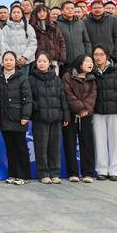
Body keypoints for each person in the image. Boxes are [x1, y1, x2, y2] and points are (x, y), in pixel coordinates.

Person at [27, 52, 69, 184]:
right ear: (36, 63)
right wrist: (37, 107)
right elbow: (29, 99)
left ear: (49, 63)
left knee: (54, 147)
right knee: (41, 147)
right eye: (39, 61)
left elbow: (63, 98)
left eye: (44, 61)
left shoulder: (56, 79)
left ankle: (55, 173)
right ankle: (43, 173)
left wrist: (66, 115)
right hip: (40, 118)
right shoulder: (31, 79)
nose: (41, 63)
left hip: (56, 118)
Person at [92, 45, 117, 181]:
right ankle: (102, 170)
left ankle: (115, 171)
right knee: (99, 142)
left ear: (107, 56)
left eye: (101, 54)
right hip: (98, 112)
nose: (98, 57)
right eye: (96, 55)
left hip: (115, 112)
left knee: (116, 142)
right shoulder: (92, 71)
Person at [0, 51, 32, 185]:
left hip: (18, 118)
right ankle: (12, 173)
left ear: (15, 61)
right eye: (6, 59)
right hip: (4, 118)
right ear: (2, 61)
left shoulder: (22, 77)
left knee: (21, 147)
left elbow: (27, 99)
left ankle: (24, 175)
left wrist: (25, 115)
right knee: (10, 148)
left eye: (11, 59)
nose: (8, 62)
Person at [62, 54, 98, 183]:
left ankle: (88, 173)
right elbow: (68, 94)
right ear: (79, 63)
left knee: (87, 144)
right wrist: (80, 108)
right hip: (71, 115)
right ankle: (73, 173)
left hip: (86, 115)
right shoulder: (68, 76)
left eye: (91, 61)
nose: (90, 63)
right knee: (70, 144)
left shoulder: (92, 78)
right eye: (87, 61)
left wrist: (86, 109)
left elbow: (93, 95)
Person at [30, 5, 66, 75]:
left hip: (53, 58)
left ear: (47, 13)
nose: (42, 14)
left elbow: (61, 42)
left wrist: (62, 57)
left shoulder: (54, 26)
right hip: (39, 59)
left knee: (54, 78)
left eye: (44, 11)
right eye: (39, 12)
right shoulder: (32, 27)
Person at [1, 5, 37, 74]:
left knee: (24, 79)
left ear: (22, 14)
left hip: (25, 61)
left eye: (18, 12)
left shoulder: (29, 27)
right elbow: (4, 43)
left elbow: (33, 44)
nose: (16, 14)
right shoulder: (6, 28)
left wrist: (25, 57)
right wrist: (13, 57)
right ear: (11, 15)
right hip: (10, 61)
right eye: (14, 12)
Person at [57, 1, 92, 71]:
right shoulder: (57, 24)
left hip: (80, 60)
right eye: (67, 8)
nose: (70, 10)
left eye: (72, 8)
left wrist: (88, 55)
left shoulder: (80, 23)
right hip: (64, 61)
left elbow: (86, 41)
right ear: (62, 11)